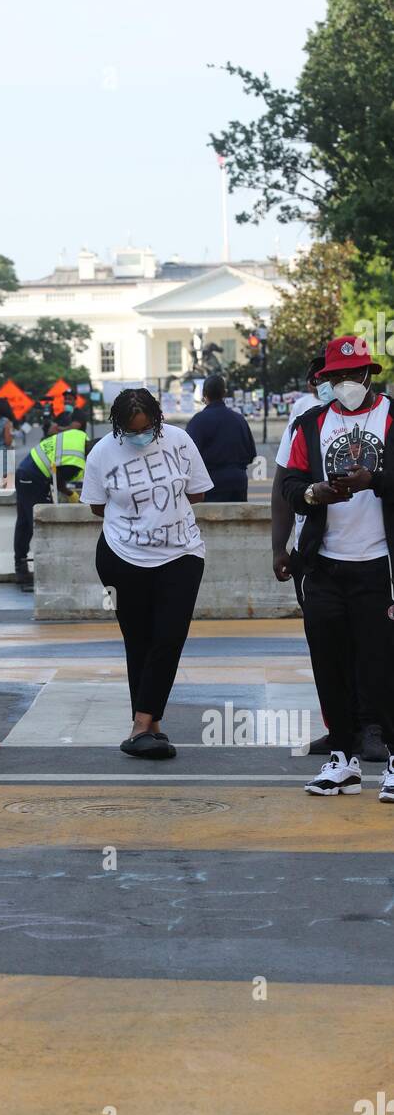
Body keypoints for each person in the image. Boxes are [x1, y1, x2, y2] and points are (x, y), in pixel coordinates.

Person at [281, 335, 394, 799]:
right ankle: (343, 761)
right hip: (325, 565)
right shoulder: (311, 424)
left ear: (370, 375)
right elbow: (288, 481)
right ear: (326, 380)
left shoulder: (391, 416)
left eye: (355, 374)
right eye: (338, 376)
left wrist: (376, 480)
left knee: (381, 666)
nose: (348, 382)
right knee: (329, 664)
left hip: (380, 566)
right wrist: (313, 494)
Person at [81, 387, 213, 760]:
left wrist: (162, 515)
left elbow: (198, 493)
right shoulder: (103, 452)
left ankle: (140, 724)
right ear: (117, 426)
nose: (139, 436)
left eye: (146, 428)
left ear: (158, 420)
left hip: (181, 553)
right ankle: (150, 726)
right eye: (131, 431)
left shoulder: (180, 441)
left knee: (169, 636)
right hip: (121, 557)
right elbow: (96, 506)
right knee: (137, 639)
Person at [271, 355, 344, 754]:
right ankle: (341, 729)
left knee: (369, 644)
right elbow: (284, 483)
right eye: (326, 378)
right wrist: (278, 545)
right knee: (326, 643)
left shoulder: (380, 415)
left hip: (368, 555)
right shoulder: (307, 416)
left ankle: (370, 726)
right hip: (314, 550)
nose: (334, 384)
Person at [13, 411, 88, 590]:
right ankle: (43, 572)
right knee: (38, 524)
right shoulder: (77, 461)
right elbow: (59, 481)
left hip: (26, 469)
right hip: (34, 476)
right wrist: (71, 495)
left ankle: (21, 569)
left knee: (24, 521)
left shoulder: (80, 436)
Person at [185, 373, 256, 501]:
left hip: (209, 484)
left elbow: (187, 457)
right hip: (237, 482)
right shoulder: (239, 419)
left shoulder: (197, 421)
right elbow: (251, 454)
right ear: (225, 393)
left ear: (204, 394)